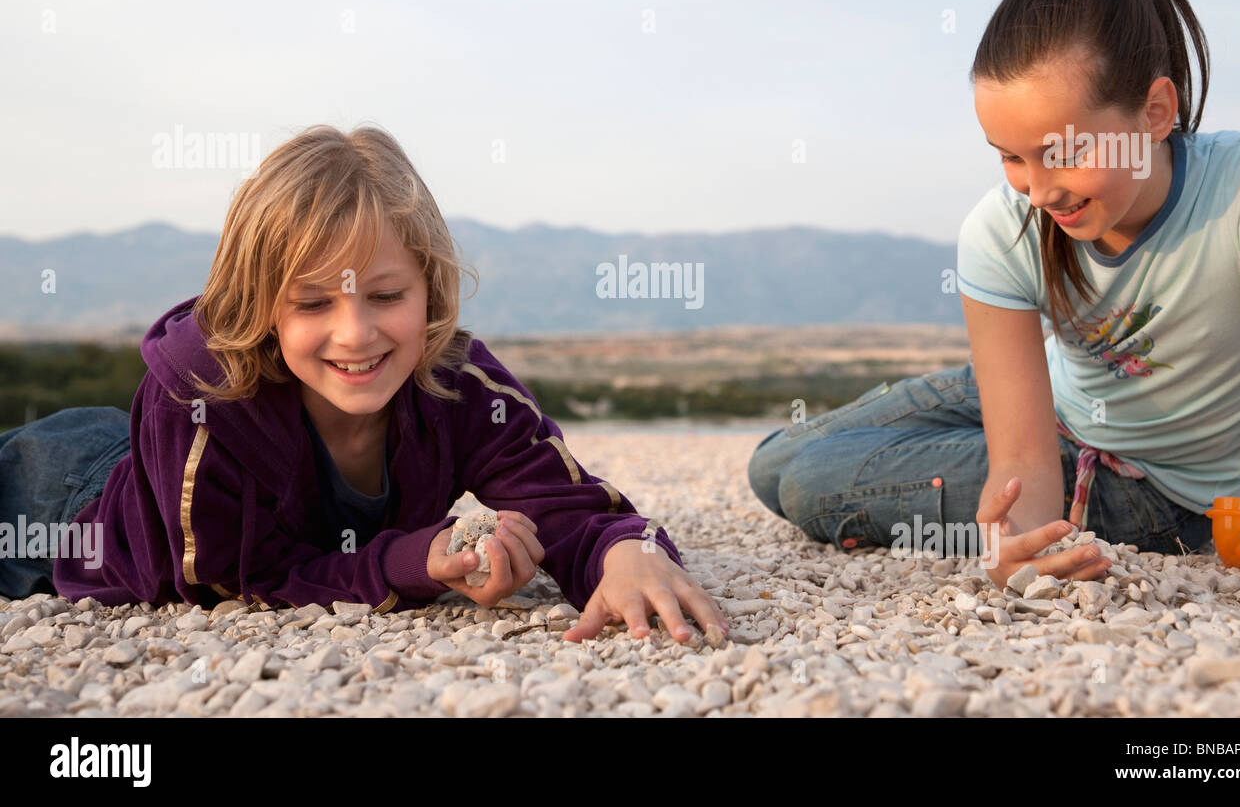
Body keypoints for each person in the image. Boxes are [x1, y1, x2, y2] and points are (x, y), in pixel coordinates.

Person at [0, 124, 727, 644]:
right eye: (313, 302)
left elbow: (569, 506)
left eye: (386, 297)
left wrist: (627, 553)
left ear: (430, 290)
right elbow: (233, 581)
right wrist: (416, 563)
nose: (356, 334)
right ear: (260, 306)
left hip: (117, 454)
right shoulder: (199, 410)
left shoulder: (456, 387)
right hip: (72, 494)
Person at [748, 0, 1240, 610]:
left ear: (1155, 112)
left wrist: (1033, 538)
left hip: (1151, 486)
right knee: (771, 462)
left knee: (808, 483)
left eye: (1064, 154)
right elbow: (1022, 460)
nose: (1037, 192)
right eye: (1011, 156)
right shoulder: (998, 231)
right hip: (1049, 404)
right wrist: (1018, 541)